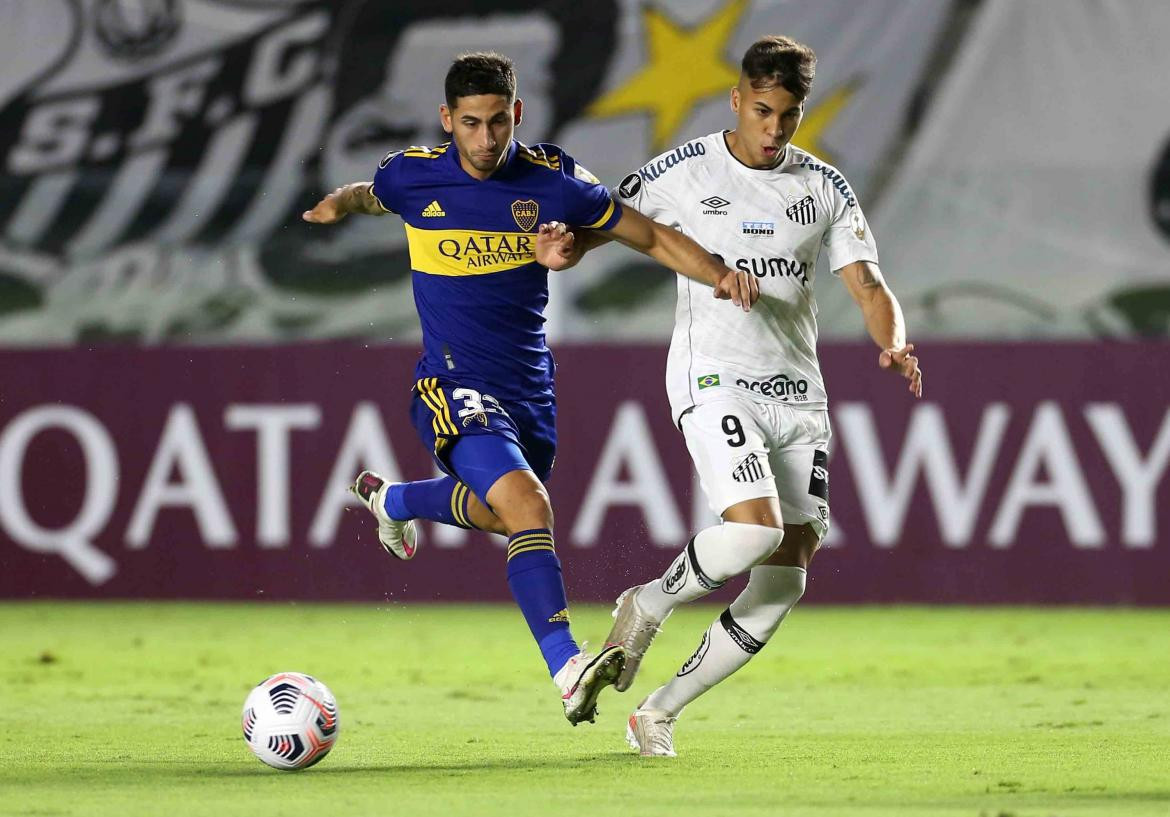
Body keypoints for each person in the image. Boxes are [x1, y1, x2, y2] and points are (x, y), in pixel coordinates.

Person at [301, 52, 758, 727]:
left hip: (529, 393)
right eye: (471, 124)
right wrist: (340, 201)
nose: (486, 140)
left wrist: (716, 271)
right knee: (528, 503)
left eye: (497, 123)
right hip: (451, 382)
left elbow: (650, 233)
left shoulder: (555, 183)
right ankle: (569, 668)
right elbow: (376, 193)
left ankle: (390, 498)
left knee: (502, 514)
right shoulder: (414, 175)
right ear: (447, 121)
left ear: (517, 113)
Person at [545, 35, 923, 755]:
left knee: (784, 581)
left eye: (788, 114)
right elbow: (618, 223)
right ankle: (648, 601)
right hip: (713, 373)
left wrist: (893, 339)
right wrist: (569, 247)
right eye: (761, 111)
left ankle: (656, 711)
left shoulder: (824, 186)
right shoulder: (686, 168)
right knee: (754, 529)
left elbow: (868, 284)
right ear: (736, 100)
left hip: (798, 396)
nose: (774, 128)